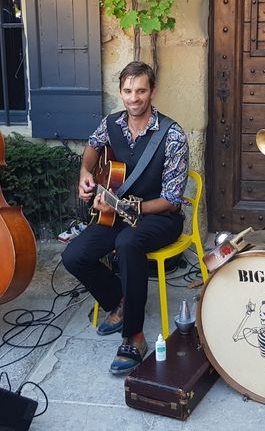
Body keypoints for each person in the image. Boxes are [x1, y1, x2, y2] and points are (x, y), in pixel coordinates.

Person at [62, 61, 189, 375]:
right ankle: (119, 300)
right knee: (74, 255)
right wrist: (84, 174)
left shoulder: (172, 135)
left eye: (141, 91)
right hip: (118, 213)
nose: (134, 98)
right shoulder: (111, 124)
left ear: (152, 92)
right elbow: (92, 148)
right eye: (128, 91)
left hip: (159, 217)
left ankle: (134, 336)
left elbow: (172, 201)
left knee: (128, 242)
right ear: (120, 92)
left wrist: (125, 207)